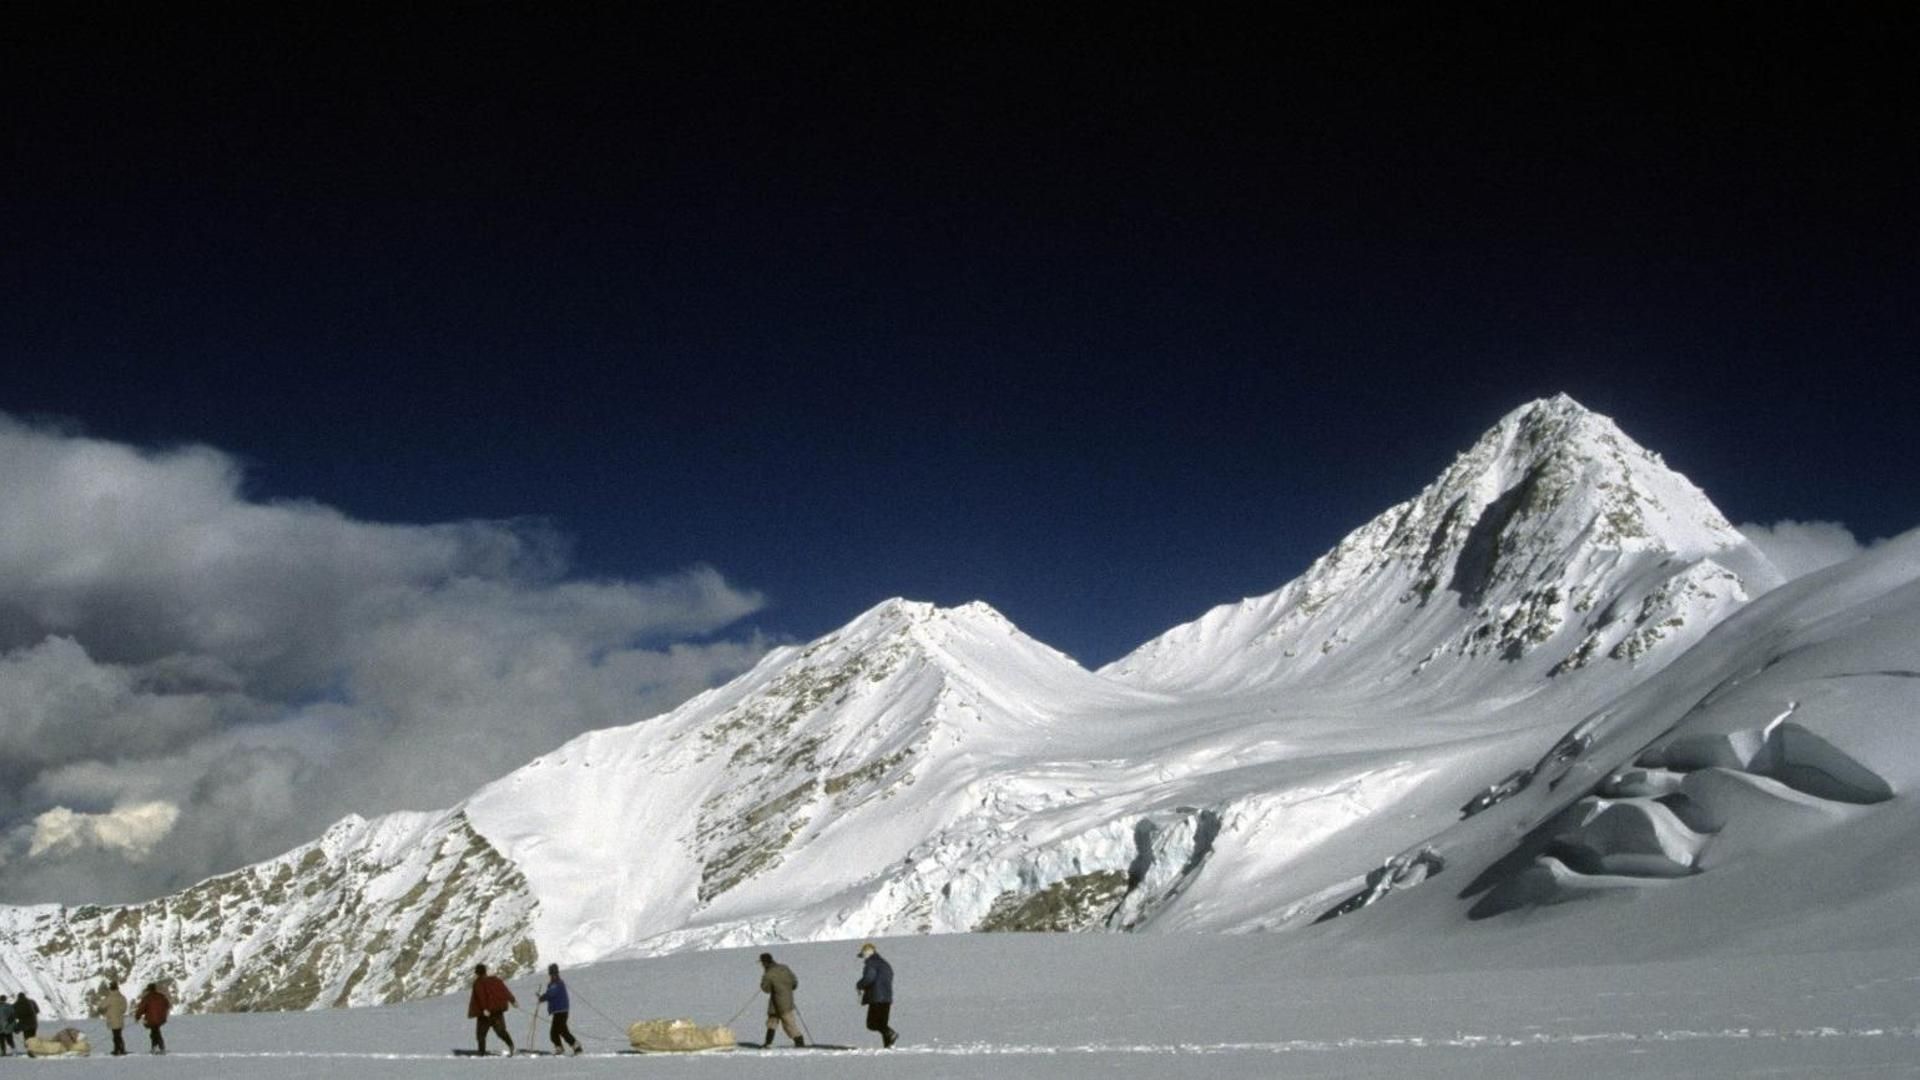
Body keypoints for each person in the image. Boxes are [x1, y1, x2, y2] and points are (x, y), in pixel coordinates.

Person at [466, 963, 517, 1056]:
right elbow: (504, 990)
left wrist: (485, 1008)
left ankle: (481, 1053)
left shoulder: (478, 983)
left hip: (485, 1013)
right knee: (501, 1031)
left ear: (477, 973)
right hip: (498, 1010)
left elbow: (481, 997)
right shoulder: (496, 980)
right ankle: (511, 1045)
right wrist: (513, 1001)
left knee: (481, 1034)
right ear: (485, 972)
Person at [854, 942, 898, 1048]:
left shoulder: (871, 964)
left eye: (863, 955)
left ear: (867, 953)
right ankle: (888, 1045)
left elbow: (869, 978)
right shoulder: (885, 964)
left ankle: (891, 1034)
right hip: (887, 997)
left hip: (876, 997)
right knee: (882, 1023)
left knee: (872, 1024)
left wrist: (859, 985)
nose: (863, 958)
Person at [757, 952, 804, 1048]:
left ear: (765, 962)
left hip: (778, 1002)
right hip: (788, 1000)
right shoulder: (784, 968)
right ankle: (767, 1043)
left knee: (788, 1024)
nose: (761, 965)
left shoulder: (768, 974)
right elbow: (794, 982)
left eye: (762, 963)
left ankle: (800, 1042)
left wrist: (765, 979)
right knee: (772, 1021)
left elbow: (766, 989)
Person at [535, 963, 582, 1056]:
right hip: (559, 1011)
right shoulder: (554, 984)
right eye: (551, 974)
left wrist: (542, 998)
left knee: (560, 1031)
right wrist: (542, 997)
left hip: (561, 1011)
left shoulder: (557, 984)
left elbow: (551, 994)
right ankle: (562, 1048)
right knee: (556, 1032)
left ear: (557, 973)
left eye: (554, 973)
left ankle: (576, 1047)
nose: (553, 975)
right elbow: (551, 993)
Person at [132, 983, 170, 1054]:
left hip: (151, 1019)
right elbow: (167, 1005)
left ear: (149, 990)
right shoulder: (161, 996)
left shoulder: (147, 998)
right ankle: (157, 1047)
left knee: (154, 1032)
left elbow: (141, 1009)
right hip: (161, 1018)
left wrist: (137, 1017)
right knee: (155, 1031)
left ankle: (159, 1047)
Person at [100, 979, 129, 1056]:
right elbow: (124, 1008)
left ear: (111, 988)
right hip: (120, 1019)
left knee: (115, 1036)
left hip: (112, 1019)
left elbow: (102, 1006)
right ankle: (121, 1049)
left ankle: (117, 1050)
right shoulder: (122, 997)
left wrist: (105, 1012)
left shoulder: (109, 998)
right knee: (118, 1035)